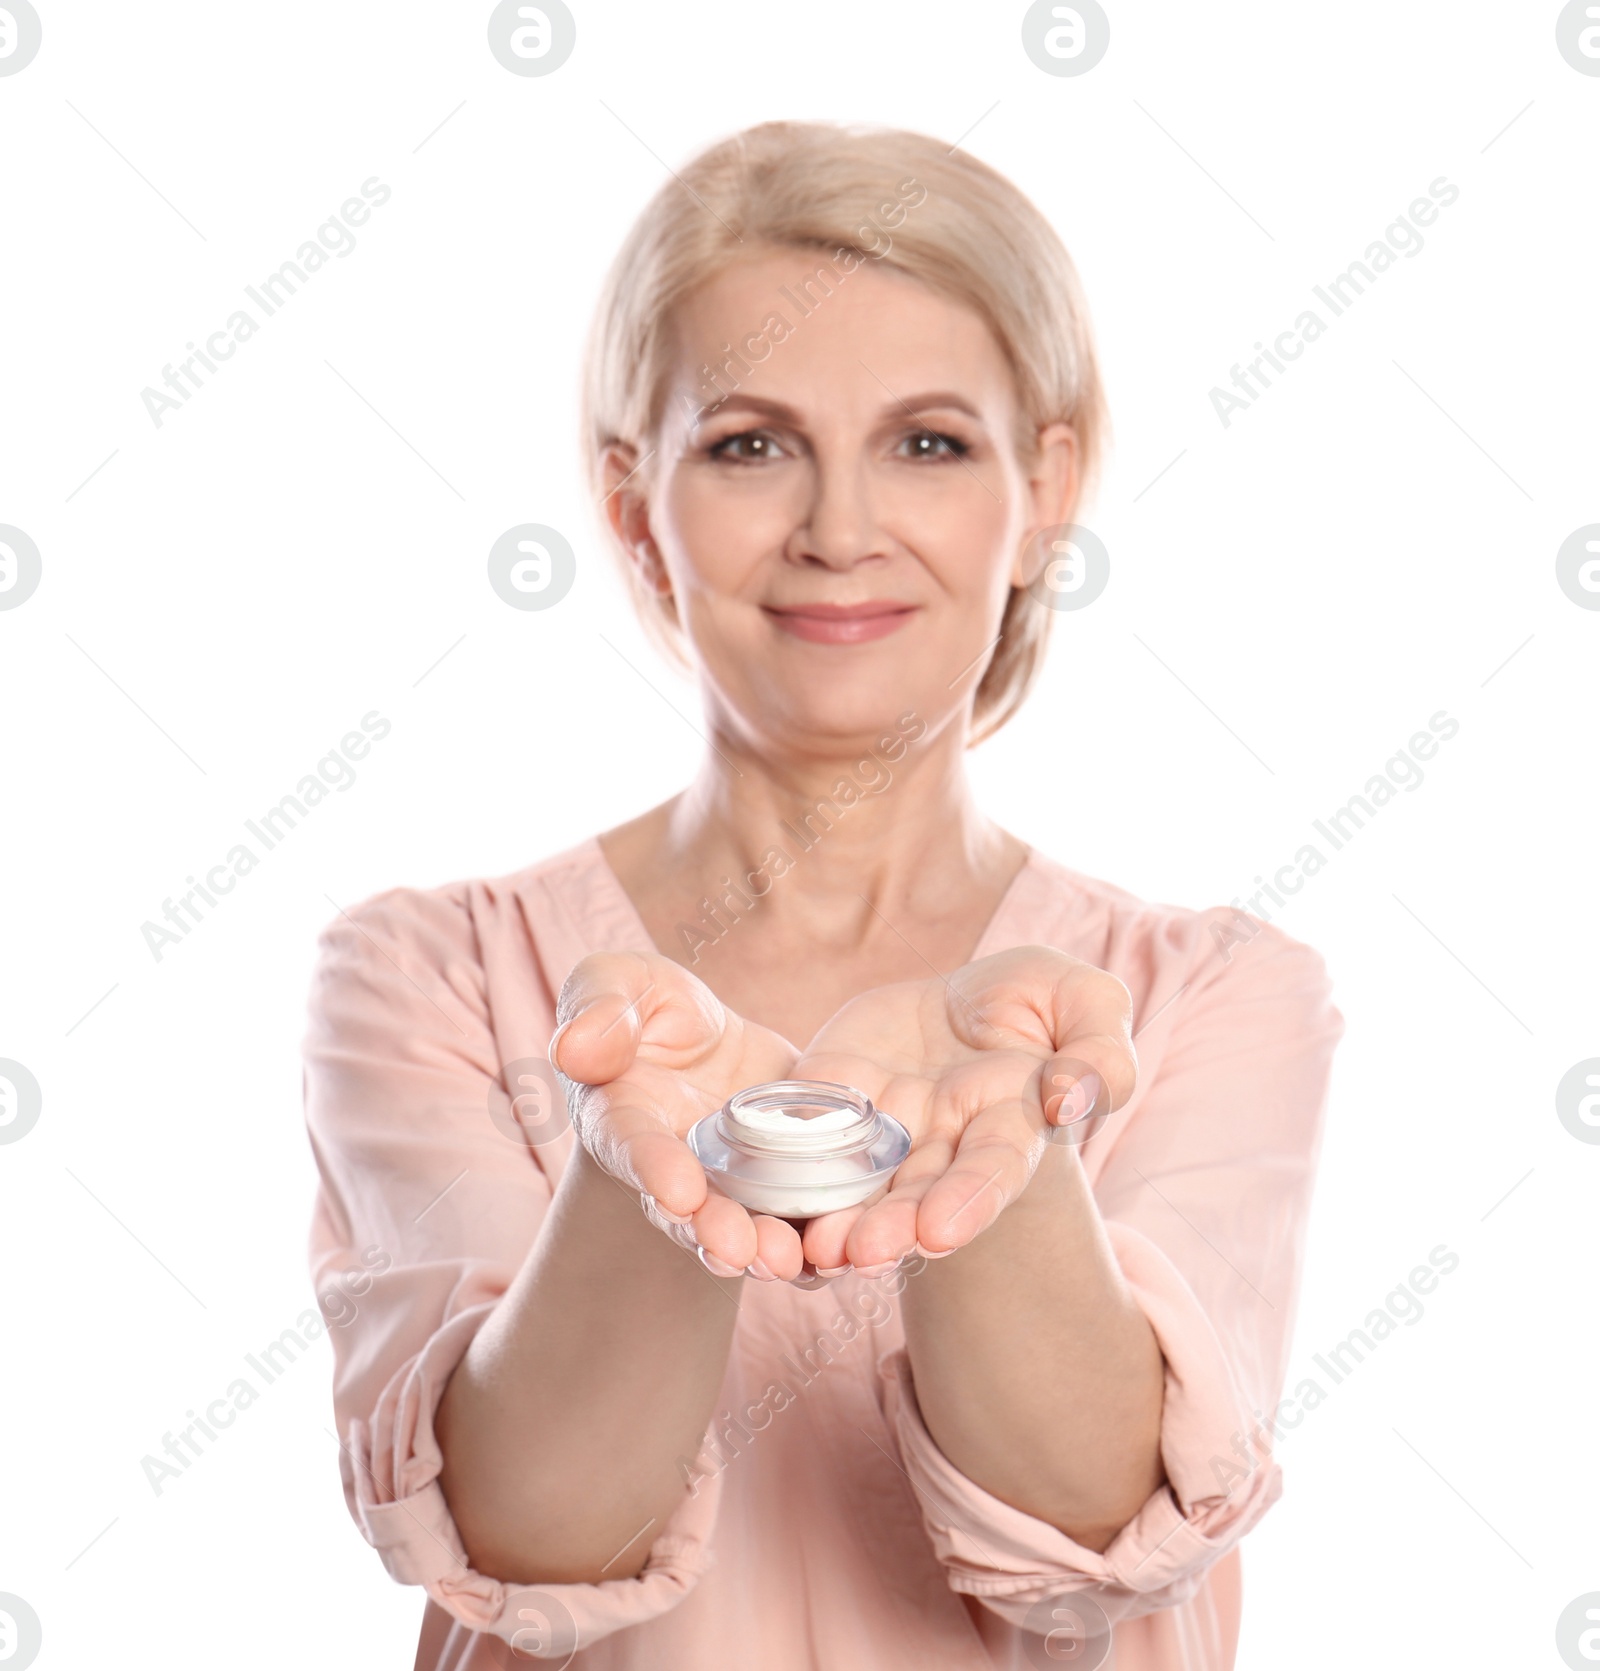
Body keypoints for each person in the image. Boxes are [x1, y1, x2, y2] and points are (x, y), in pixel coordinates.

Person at [301, 120, 1344, 1670]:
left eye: (928, 441)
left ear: (1043, 482)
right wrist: (643, 1173)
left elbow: (1094, 1531)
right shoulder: (432, 974)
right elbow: (524, 1535)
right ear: (636, 506)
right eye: (748, 444)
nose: (840, 532)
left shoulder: (1208, 999)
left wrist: (993, 1141)